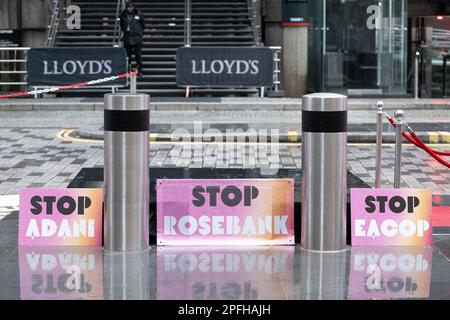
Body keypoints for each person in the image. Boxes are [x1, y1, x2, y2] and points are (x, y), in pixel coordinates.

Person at [120, 0, 145, 76]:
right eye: (128, 7)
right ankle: (128, 70)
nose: (129, 8)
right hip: (127, 38)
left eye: (131, 7)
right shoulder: (123, 14)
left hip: (137, 38)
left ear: (134, 7)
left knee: (138, 56)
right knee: (128, 56)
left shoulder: (139, 14)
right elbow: (121, 25)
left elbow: (143, 25)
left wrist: (139, 33)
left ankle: (140, 70)